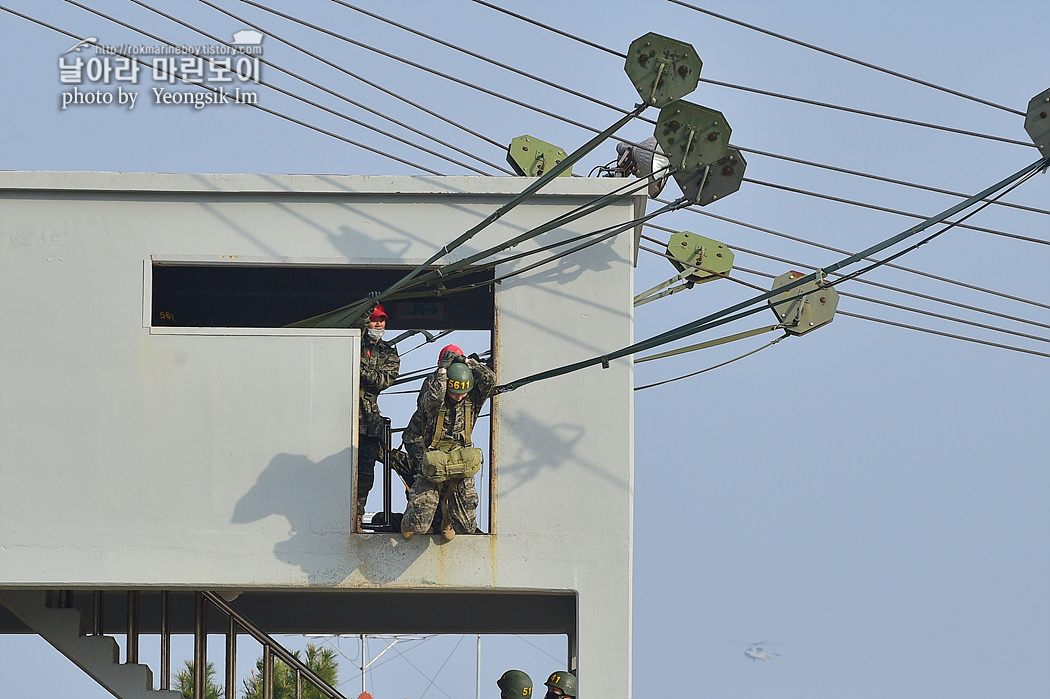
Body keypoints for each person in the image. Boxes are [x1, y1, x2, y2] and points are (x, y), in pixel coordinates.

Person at [401, 345, 495, 540]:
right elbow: (432, 399)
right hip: (435, 460)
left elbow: (489, 379)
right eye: (454, 392)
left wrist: (469, 362)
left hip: (460, 460)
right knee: (419, 524)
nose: (459, 397)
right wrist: (443, 370)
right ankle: (408, 519)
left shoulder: (472, 399)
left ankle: (448, 519)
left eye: (462, 393)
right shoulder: (436, 393)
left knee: (467, 526)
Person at [355, 302, 400, 529]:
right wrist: (363, 313)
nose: (379, 323)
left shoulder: (389, 352)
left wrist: (358, 369)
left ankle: (356, 519)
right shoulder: (354, 342)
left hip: (370, 420)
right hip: (346, 415)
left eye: (382, 320)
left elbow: (383, 380)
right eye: (374, 319)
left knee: (365, 475)